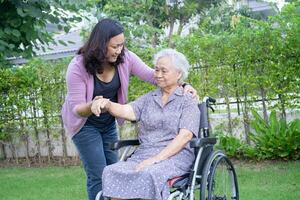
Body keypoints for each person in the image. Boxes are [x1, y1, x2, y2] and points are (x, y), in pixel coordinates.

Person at [61, 19, 197, 200]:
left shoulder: (125, 58)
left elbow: (155, 76)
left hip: (108, 123)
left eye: (121, 45)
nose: (119, 50)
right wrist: (98, 105)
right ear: (101, 45)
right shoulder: (78, 66)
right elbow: (78, 108)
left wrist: (184, 85)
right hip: (84, 123)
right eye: (114, 46)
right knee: (99, 173)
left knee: (111, 169)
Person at [92, 49, 200, 200]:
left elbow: (185, 136)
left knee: (149, 173)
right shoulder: (149, 98)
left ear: (179, 74)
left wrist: (156, 159)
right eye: (156, 69)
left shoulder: (187, 100)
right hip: (144, 153)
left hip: (175, 156)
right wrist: (108, 105)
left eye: (164, 70)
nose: (158, 74)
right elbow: (127, 110)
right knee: (111, 171)